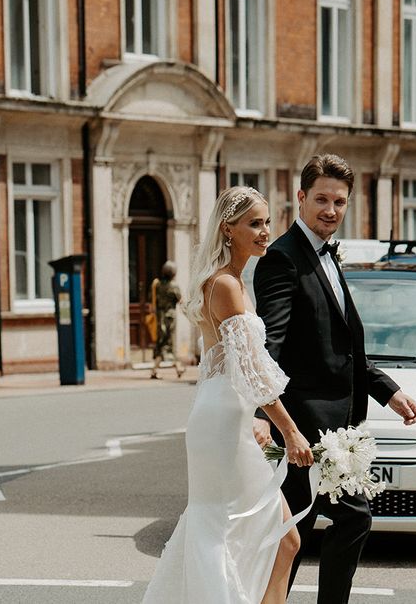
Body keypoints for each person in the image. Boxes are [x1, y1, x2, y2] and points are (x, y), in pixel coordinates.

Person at [252, 154, 416, 604]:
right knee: (345, 519)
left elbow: (341, 346)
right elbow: (271, 344)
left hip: (338, 423)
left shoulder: (328, 255)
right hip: (307, 423)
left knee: (295, 530)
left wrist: (389, 391)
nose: (331, 210)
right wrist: (265, 416)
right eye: (322, 199)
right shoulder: (283, 259)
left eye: (340, 202)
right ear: (301, 197)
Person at [142, 186, 314, 604]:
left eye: (267, 222)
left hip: (226, 417)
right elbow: (253, 370)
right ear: (228, 229)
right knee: (243, 535)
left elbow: (235, 370)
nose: (265, 232)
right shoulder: (225, 285)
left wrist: (253, 418)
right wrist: (290, 431)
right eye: (254, 223)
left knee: (281, 539)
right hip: (220, 424)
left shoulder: (232, 281)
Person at [151, 261, 184, 379]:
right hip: (170, 318)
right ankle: (177, 367)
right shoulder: (174, 286)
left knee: (162, 343)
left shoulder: (158, 284)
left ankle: (158, 369)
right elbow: (181, 300)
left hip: (160, 317)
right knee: (169, 343)